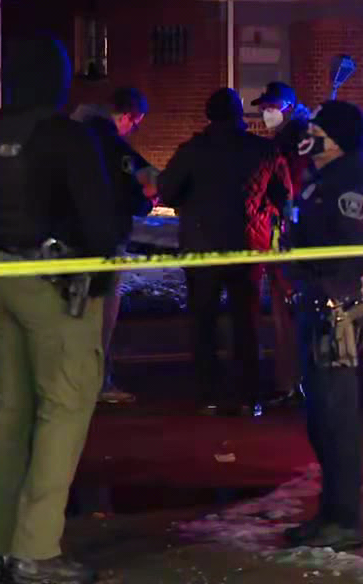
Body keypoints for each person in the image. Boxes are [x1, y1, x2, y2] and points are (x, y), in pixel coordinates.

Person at [0, 35, 117, 584]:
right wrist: (100, 274)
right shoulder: (63, 135)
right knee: (65, 405)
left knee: (12, 413)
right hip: (52, 284)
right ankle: (36, 548)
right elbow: (99, 222)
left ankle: (3, 545)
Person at [158, 88, 290, 417]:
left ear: (209, 115)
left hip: (201, 246)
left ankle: (209, 393)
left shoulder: (192, 150)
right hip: (247, 246)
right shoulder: (263, 149)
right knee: (246, 322)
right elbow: (283, 195)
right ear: (239, 115)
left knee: (203, 322)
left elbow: (168, 191)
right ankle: (248, 394)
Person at [282, 99, 363, 553]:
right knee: (319, 418)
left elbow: (352, 254)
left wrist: (326, 290)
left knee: (337, 418)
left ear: (336, 140)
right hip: (312, 302)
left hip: (333, 309)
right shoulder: (318, 177)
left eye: (318, 132)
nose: (310, 137)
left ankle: (345, 519)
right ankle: (328, 512)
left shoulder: (346, 183)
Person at [71, 86, 158, 405]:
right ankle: (97, 382)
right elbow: (133, 186)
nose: (132, 131)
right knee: (103, 317)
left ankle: (69, 380)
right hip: (105, 241)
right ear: (128, 117)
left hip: (69, 240)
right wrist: (146, 200)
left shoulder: (71, 135)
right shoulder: (111, 144)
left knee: (73, 315)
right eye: (136, 124)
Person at [253, 82, 309, 407]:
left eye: (270, 108)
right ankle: (293, 380)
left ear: (287, 107)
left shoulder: (293, 145)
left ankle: (292, 381)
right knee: (288, 312)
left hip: (290, 237)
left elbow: (289, 192)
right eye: (264, 109)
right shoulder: (292, 140)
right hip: (289, 235)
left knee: (287, 312)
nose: (266, 114)